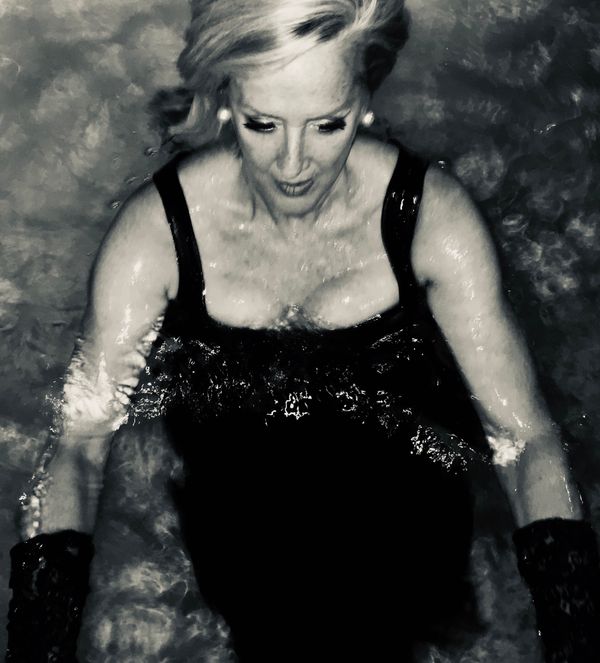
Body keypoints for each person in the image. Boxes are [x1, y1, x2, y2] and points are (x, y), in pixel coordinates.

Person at [6, 0, 600, 661]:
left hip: (410, 514)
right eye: (262, 124)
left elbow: (526, 440)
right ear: (228, 99)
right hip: (241, 523)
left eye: (328, 124)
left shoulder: (432, 223)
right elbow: (79, 443)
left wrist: (573, 632)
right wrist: (40, 642)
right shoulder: (157, 237)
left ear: (366, 100)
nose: (293, 166)